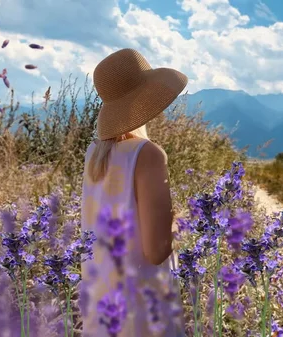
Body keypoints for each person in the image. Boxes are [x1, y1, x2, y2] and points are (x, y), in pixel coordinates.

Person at [80, 48, 188, 337]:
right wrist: (178, 222)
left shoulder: (94, 154)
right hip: (142, 309)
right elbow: (156, 252)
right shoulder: (148, 154)